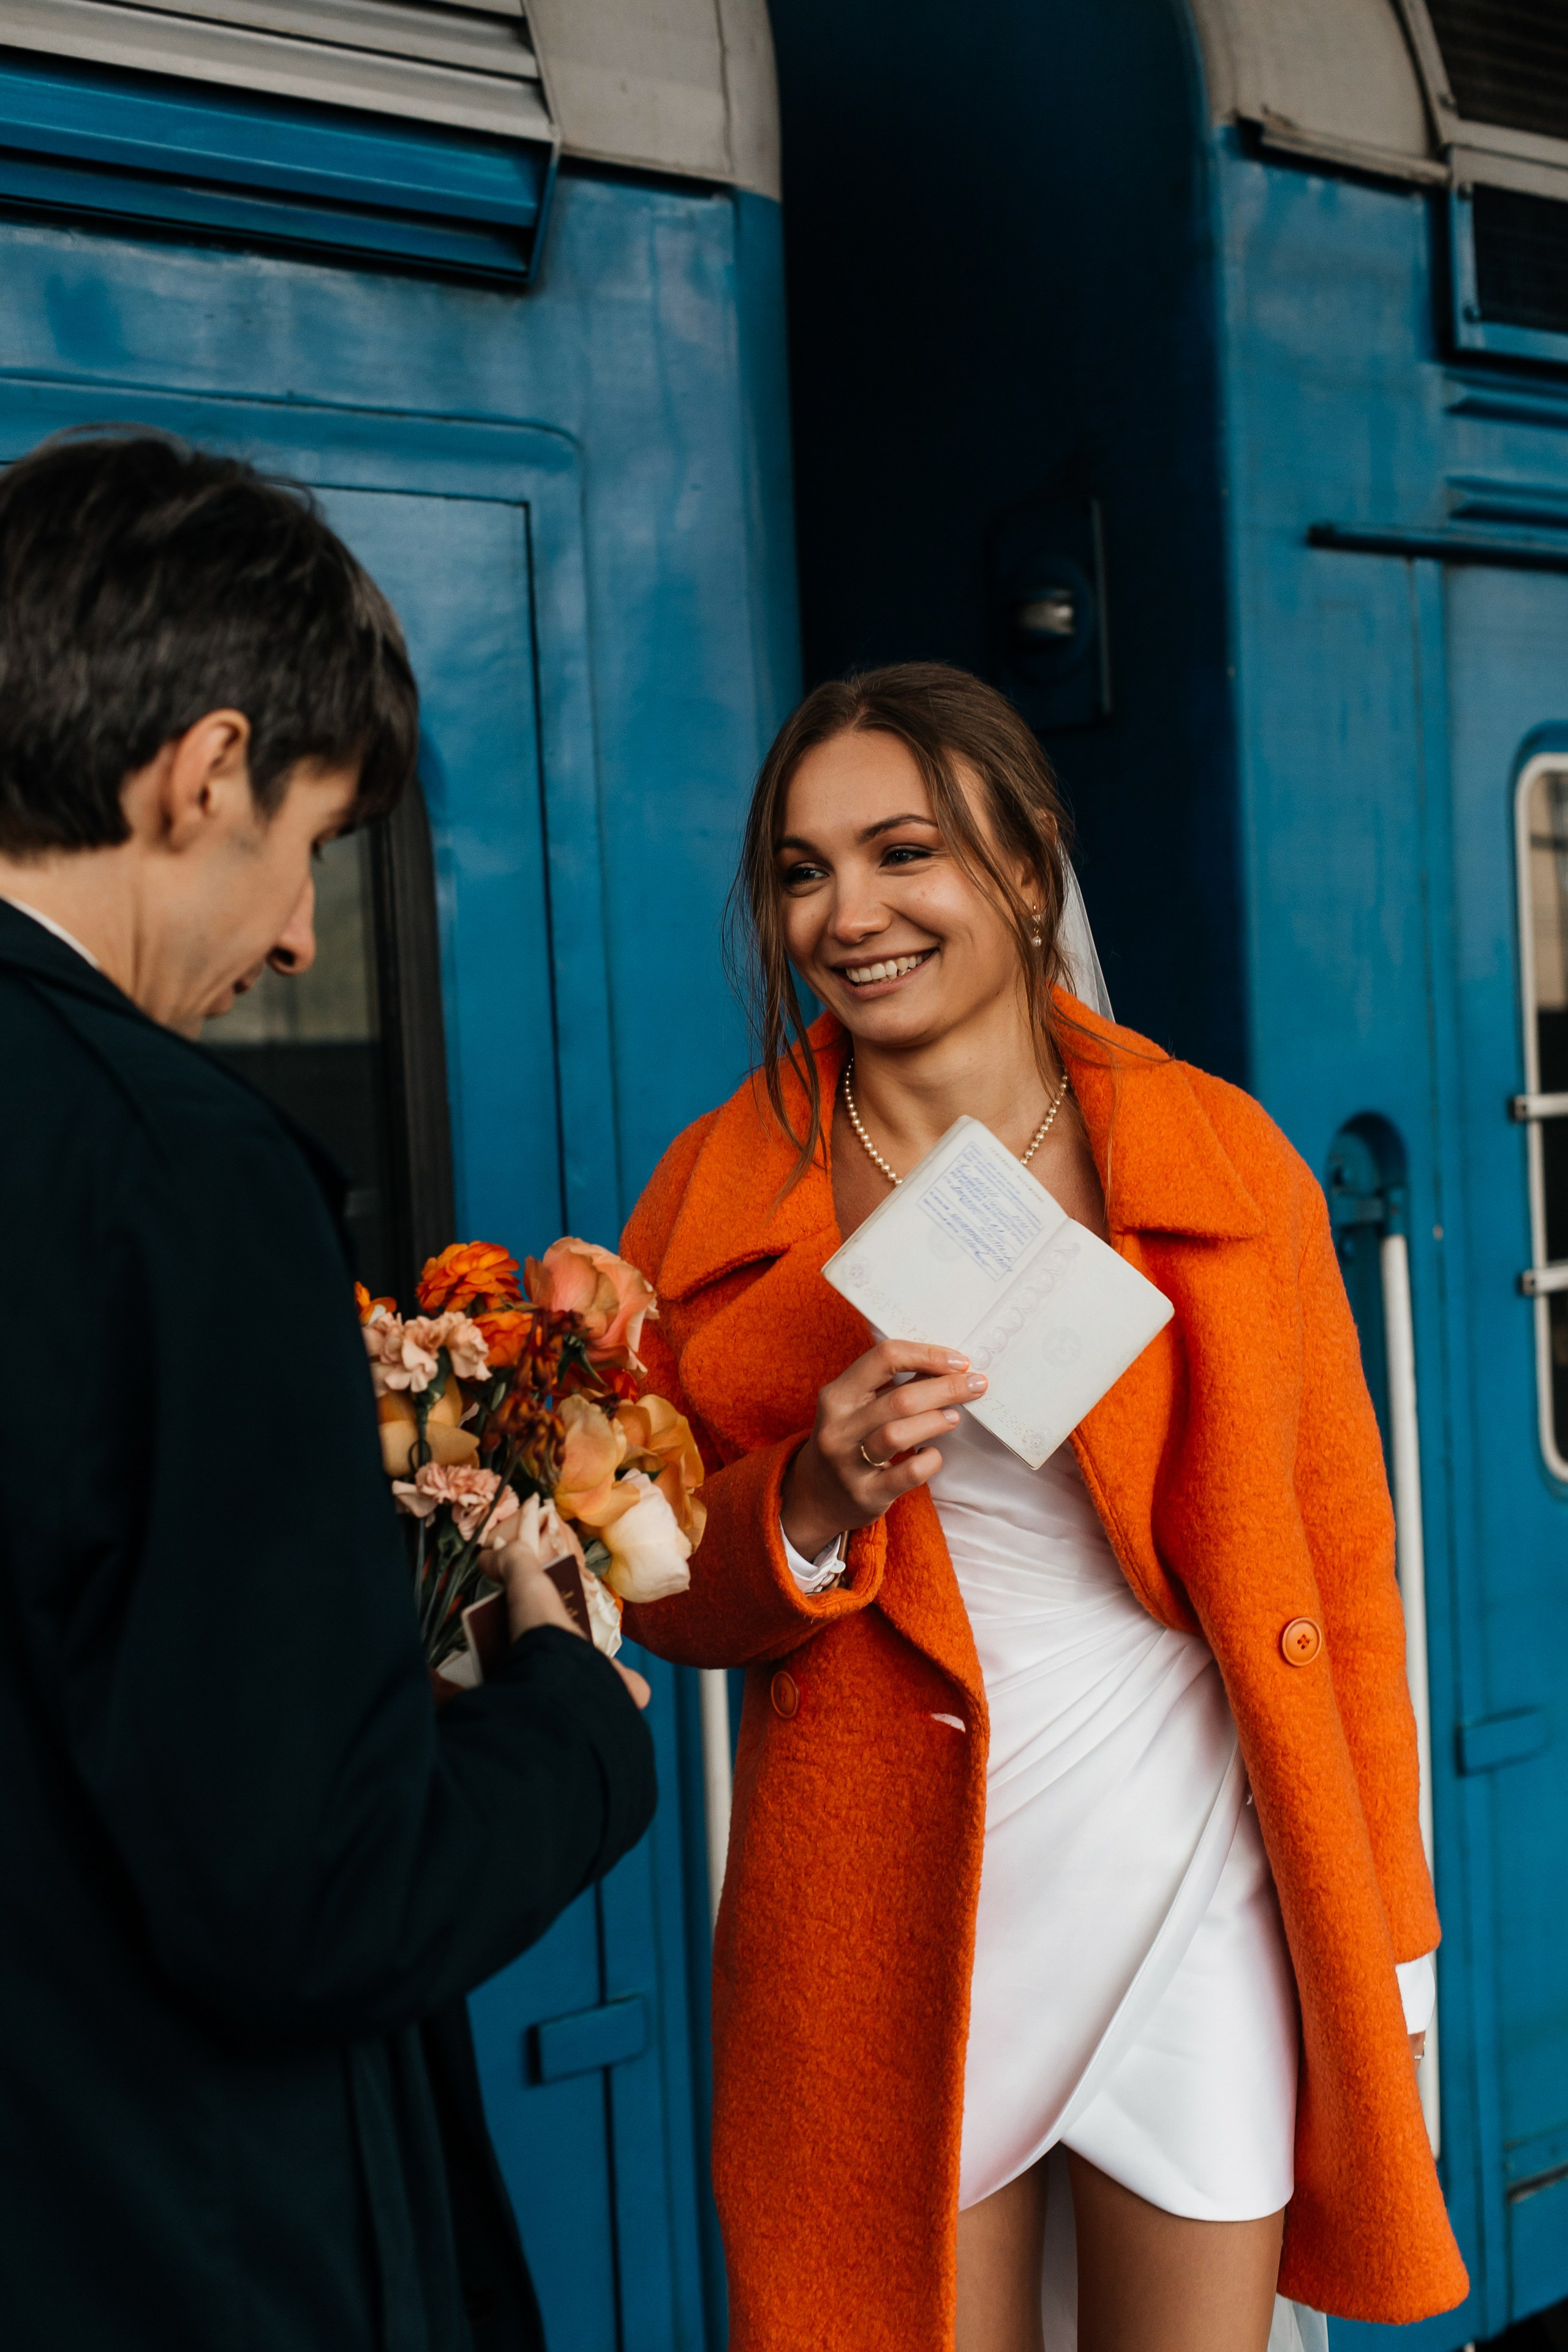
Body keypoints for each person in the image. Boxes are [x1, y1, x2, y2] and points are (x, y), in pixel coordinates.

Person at [618, 663, 1468, 2351]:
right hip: (895, 1911)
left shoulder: (1222, 1156)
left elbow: (1345, 1582)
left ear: (1025, 865)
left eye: (901, 852)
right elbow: (653, 1588)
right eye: (801, 871)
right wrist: (810, 1490)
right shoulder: (715, 1198)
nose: (848, 914)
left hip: (1193, 1870)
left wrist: (1392, 1951)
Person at [0, 431, 655, 2352]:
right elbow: (311, 1897)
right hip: (173, 2245)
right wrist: (570, 1712)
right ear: (205, 771)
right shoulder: (180, 1170)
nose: (298, 936)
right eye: (304, 852)